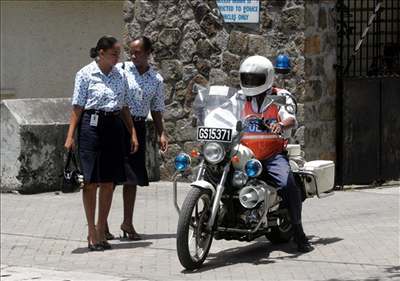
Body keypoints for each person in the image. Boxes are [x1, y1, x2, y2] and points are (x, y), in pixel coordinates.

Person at [64, 35, 139, 251]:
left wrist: (132, 132)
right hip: (91, 127)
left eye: (118, 54)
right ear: (102, 53)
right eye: (114, 53)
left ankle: (100, 230)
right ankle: (90, 232)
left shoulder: (120, 75)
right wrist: (70, 136)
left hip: (113, 126)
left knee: (108, 182)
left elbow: (124, 106)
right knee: (90, 182)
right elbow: (77, 107)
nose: (118, 57)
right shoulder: (85, 74)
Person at [238, 55, 313, 252]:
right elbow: (224, 113)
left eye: (255, 79)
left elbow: (291, 119)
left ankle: (298, 231)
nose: (250, 83)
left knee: (288, 184)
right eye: (248, 78)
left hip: (272, 155)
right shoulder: (240, 97)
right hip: (245, 155)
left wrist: (281, 124)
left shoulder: (280, 96)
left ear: (268, 77)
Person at [114, 36, 168, 240]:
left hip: (138, 125)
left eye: (138, 52)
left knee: (132, 178)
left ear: (148, 53)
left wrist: (161, 132)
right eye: (132, 51)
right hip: (118, 123)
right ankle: (102, 225)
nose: (133, 55)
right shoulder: (121, 70)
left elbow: (156, 109)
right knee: (110, 177)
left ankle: (127, 222)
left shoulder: (156, 79)